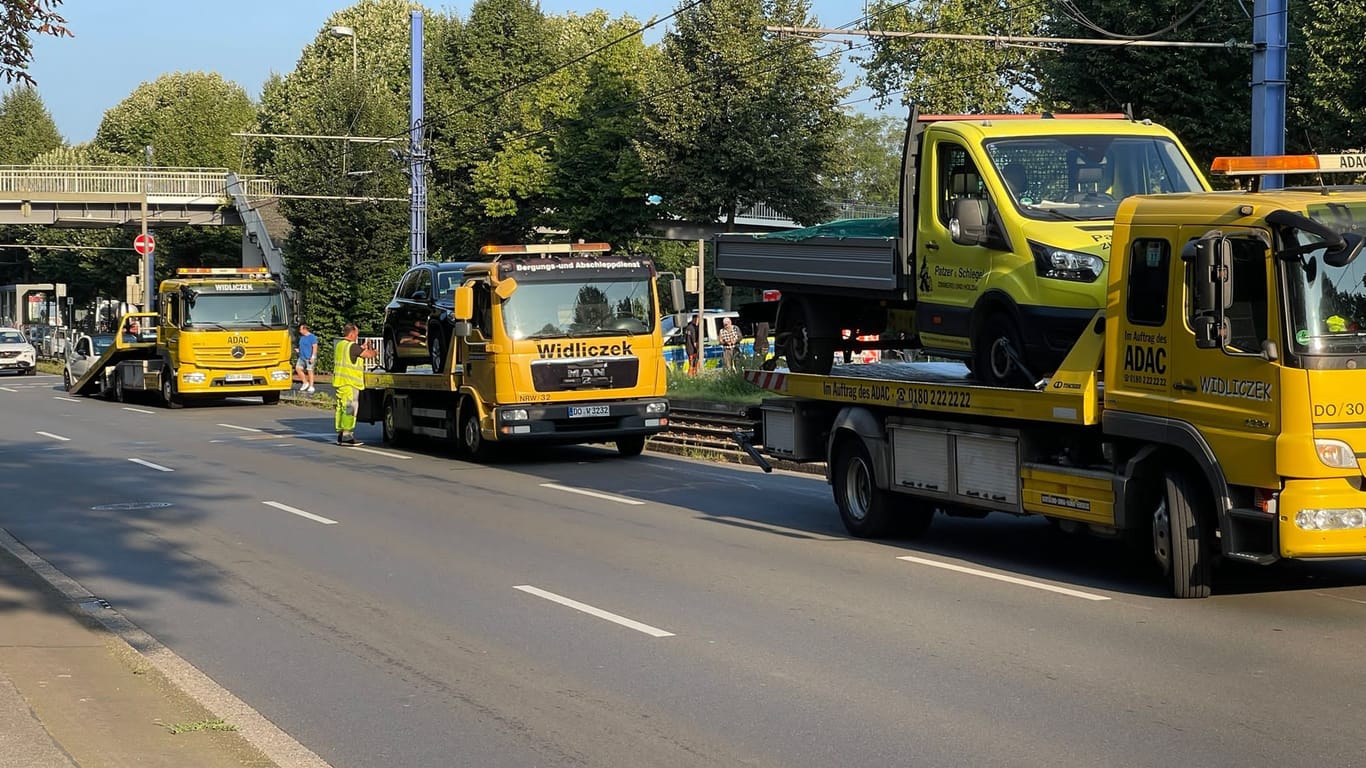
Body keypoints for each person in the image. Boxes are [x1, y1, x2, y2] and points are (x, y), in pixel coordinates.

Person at [333, 322, 377, 445]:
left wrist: (362, 347)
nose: (357, 336)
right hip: (350, 383)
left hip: (341, 382)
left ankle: (341, 434)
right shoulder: (352, 346)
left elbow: (355, 352)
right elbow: (368, 355)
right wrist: (374, 351)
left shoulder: (341, 345)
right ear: (352, 334)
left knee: (341, 408)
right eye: (357, 334)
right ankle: (347, 435)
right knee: (350, 409)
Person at [294, 323, 318, 393]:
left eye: (301, 329)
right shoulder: (302, 337)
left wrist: (313, 356)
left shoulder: (312, 337)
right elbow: (302, 346)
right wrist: (298, 350)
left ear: (305, 329)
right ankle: (305, 382)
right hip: (302, 357)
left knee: (309, 371)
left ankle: (311, 386)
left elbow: (315, 347)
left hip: (309, 357)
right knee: (298, 368)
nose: (300, 331)